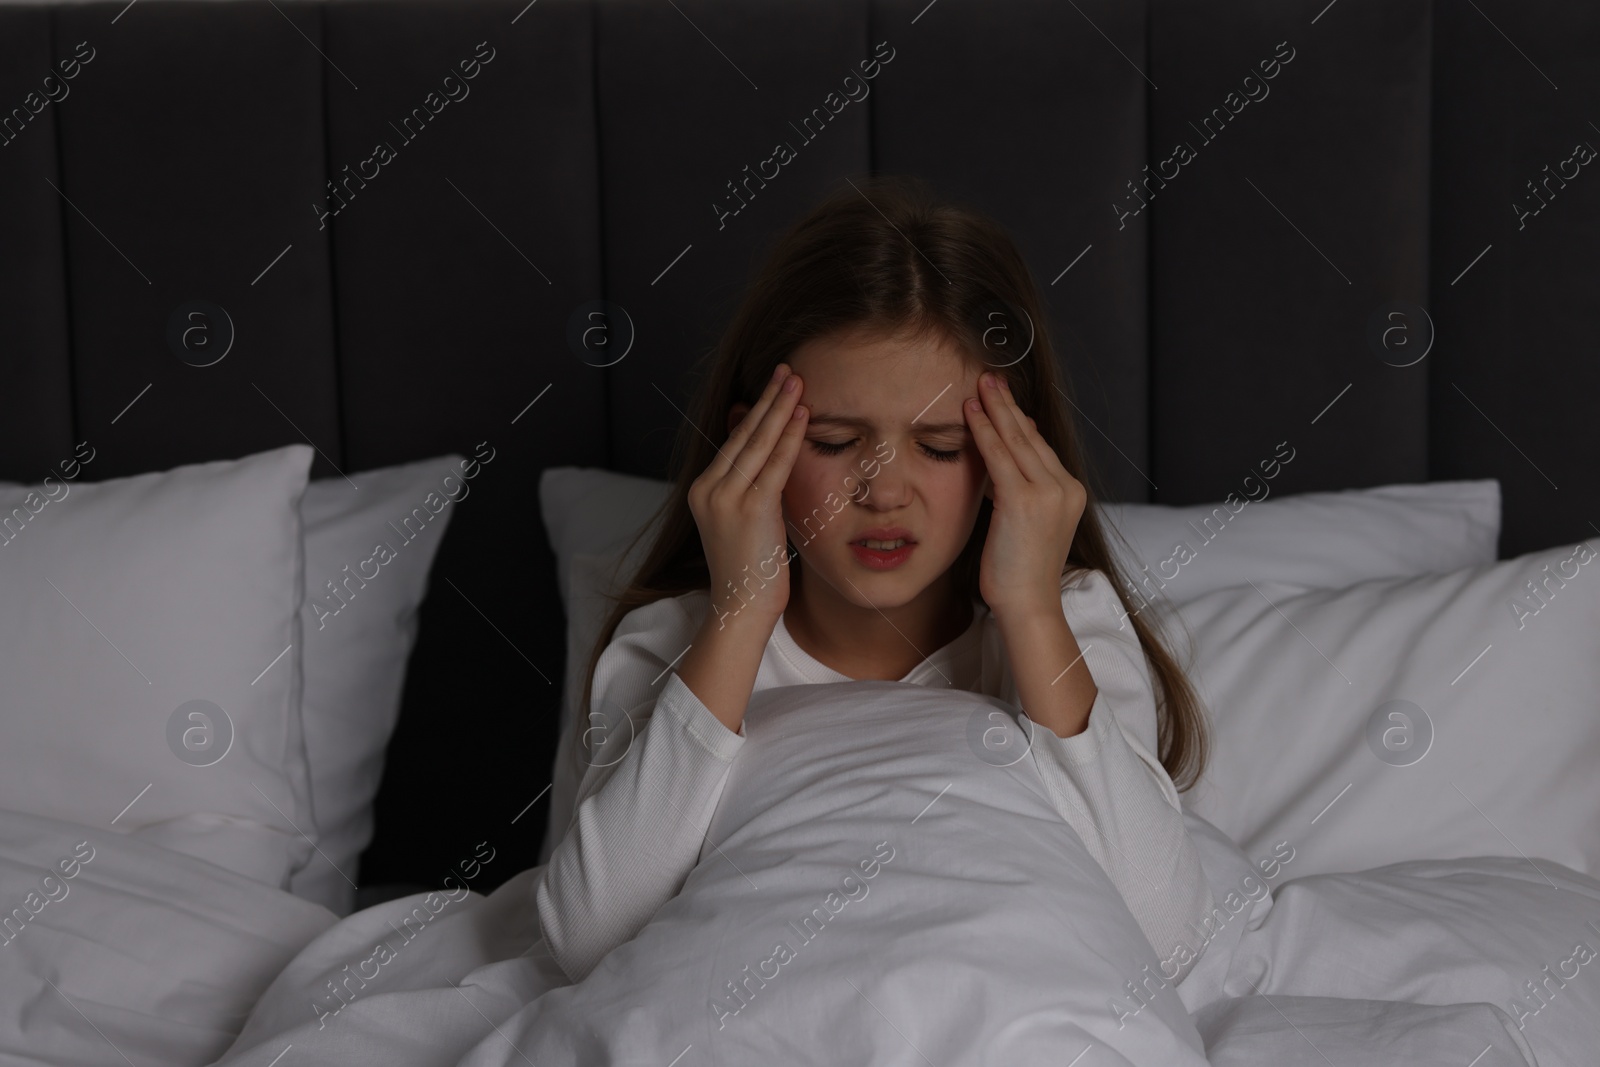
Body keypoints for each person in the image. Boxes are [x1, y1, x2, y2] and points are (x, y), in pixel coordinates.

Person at [534, 174, 1215, 988]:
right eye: (832, 441)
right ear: (753, 445)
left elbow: (1165, 937)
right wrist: (741, 613)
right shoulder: (674, 644)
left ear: (1011, 459)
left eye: (939, 447)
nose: (884, 491)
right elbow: (586, 941)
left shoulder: (1068, 630)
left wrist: (1031, 611)